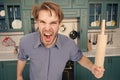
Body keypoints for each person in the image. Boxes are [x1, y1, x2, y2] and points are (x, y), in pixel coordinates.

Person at [17, 1, 105, 80]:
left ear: (60, 24)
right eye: (43, 22)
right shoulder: (26, 42)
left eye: (53, 23)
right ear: (37, 22)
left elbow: (80, 58)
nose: (47, 28)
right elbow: (22, 58)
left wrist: (92, 67)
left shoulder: (69, 44)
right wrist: (19, 76)